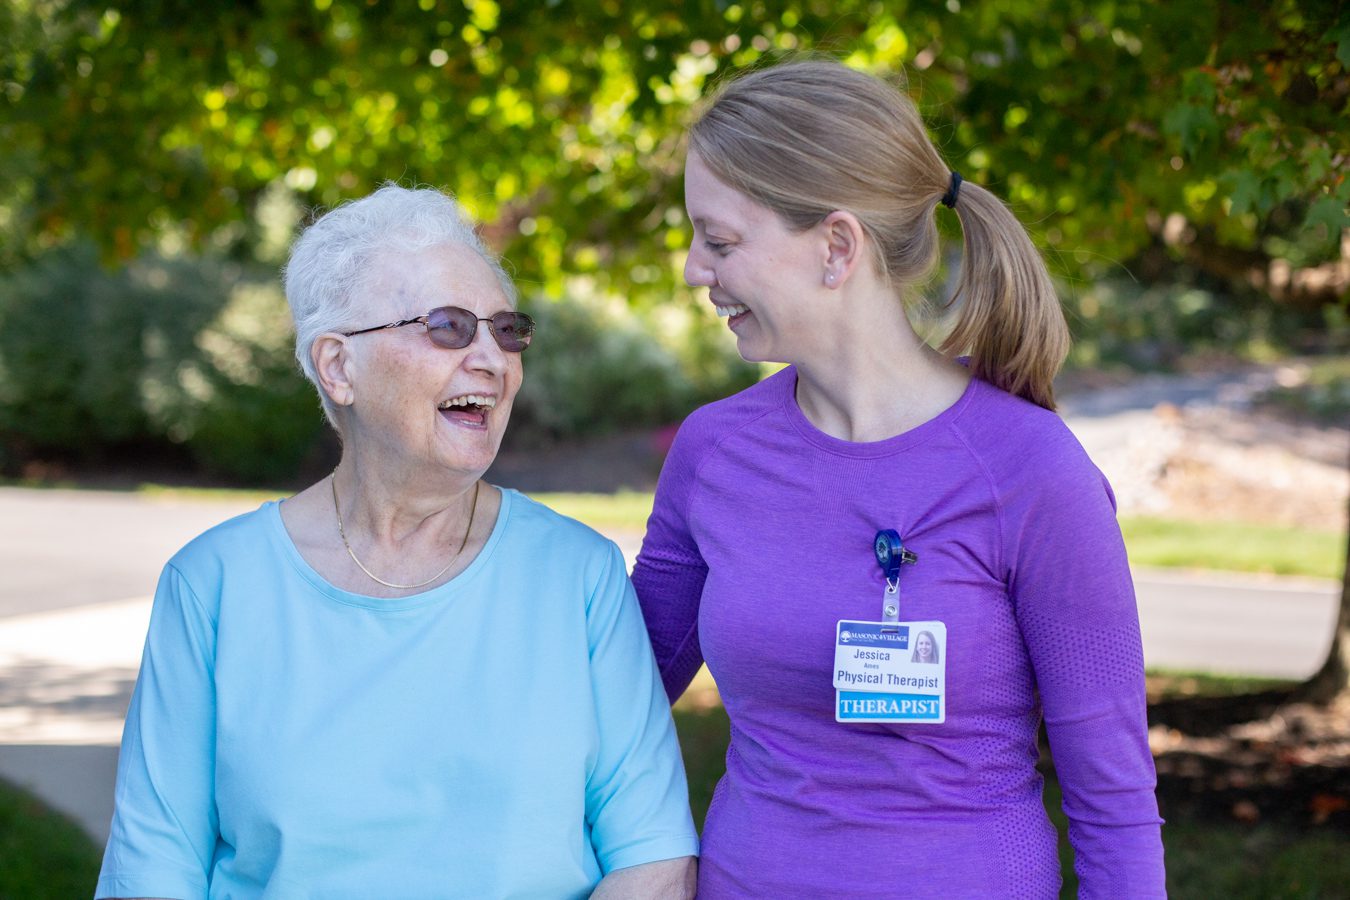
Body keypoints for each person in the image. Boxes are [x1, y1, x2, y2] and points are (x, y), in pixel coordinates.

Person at [633, 59, 1165, 897]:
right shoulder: (714, 452)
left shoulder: (1031, 471)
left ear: (837, 247)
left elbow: (1115, 804)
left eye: (721, 240)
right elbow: (616, 703)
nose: (695, 270)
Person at [96, 185, 698, 899]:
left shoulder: (579, 575)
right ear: (338, 366)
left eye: (505, 330)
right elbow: (152, 872)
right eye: (448, 327)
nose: (492, 359)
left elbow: (655, 859)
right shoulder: (213, 584)